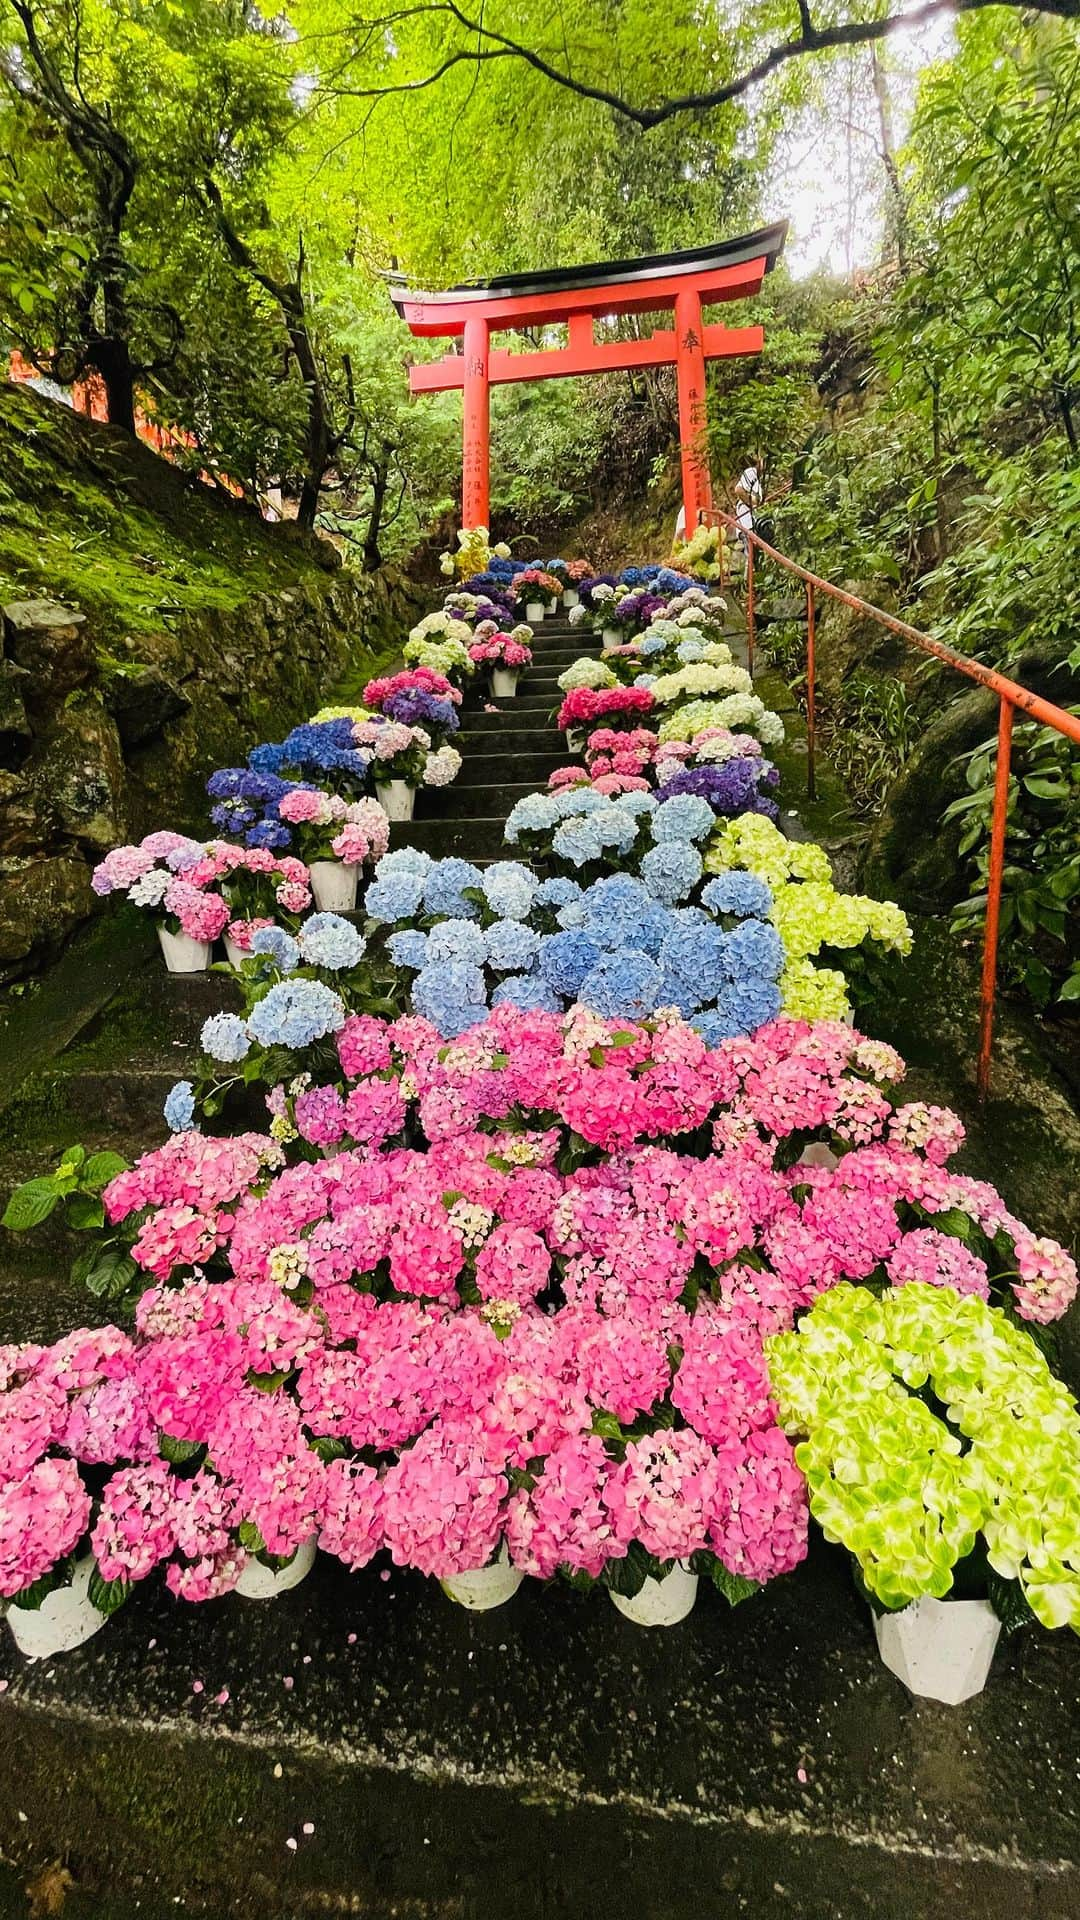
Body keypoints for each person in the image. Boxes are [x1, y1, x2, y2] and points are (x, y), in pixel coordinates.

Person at [733, 459, 763, 552]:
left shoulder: (763, 477)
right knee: (750, 554)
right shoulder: (751, 473)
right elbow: (738, 490)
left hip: (754, 523)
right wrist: (751, 504)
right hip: (747, 522)